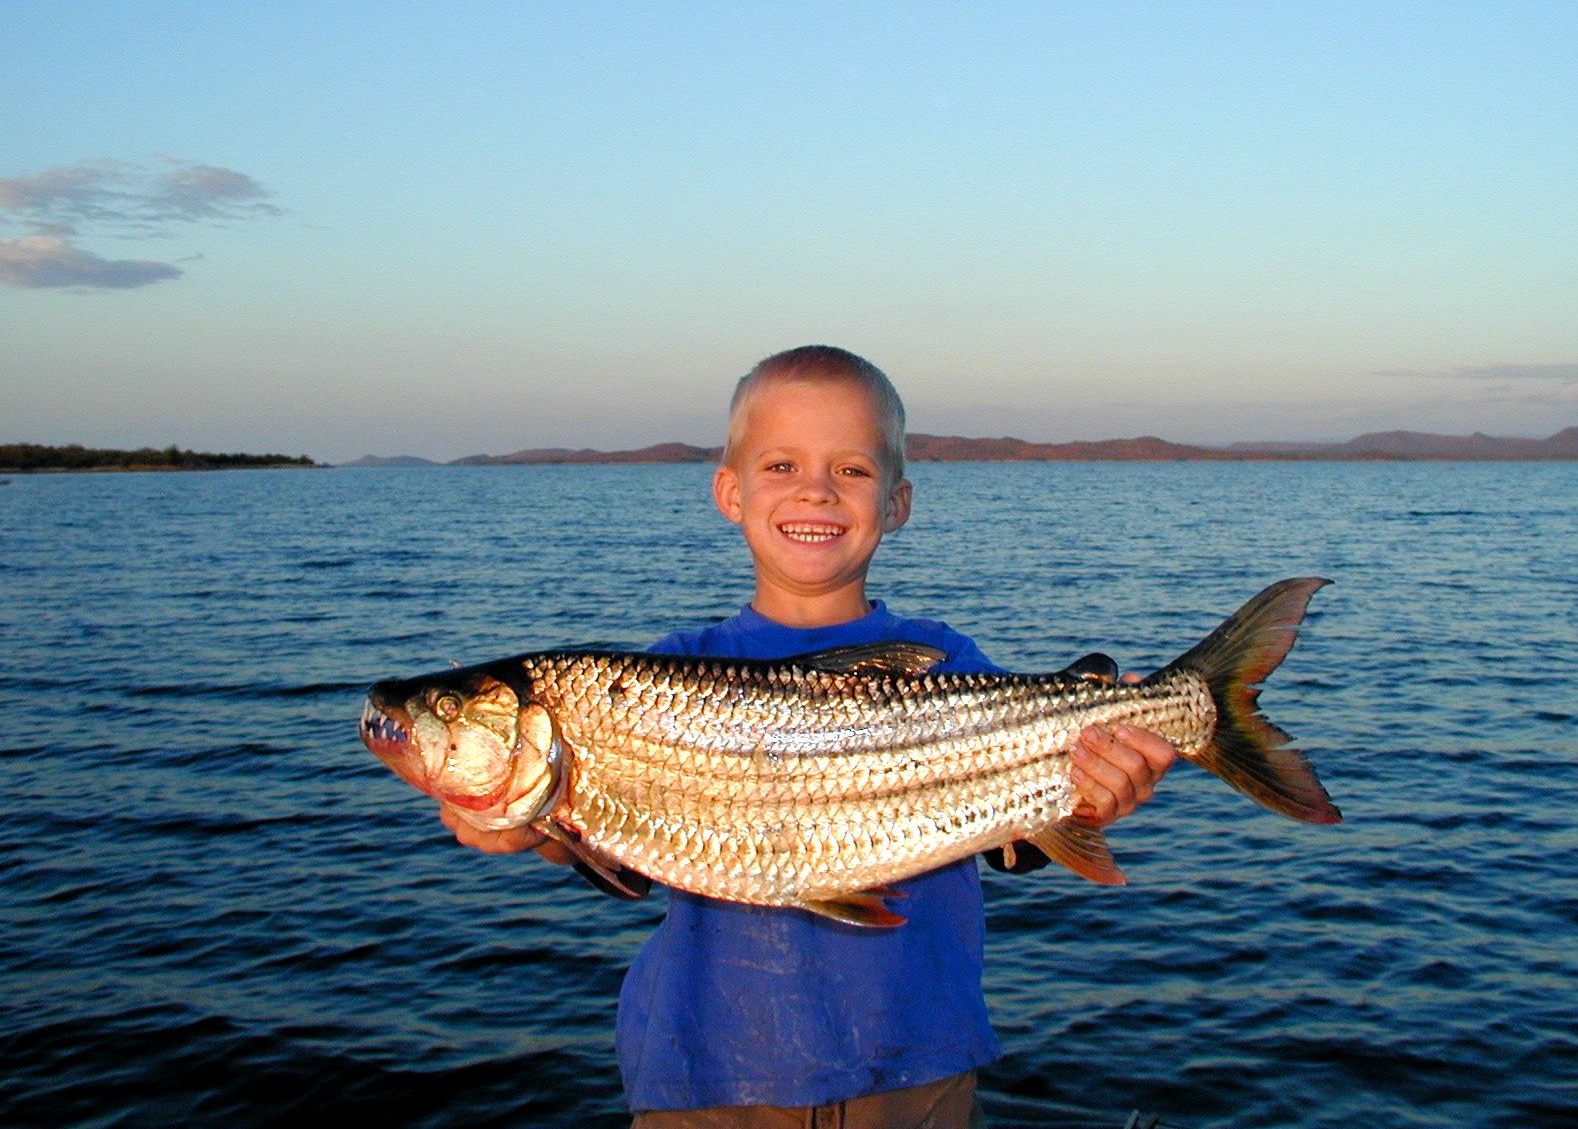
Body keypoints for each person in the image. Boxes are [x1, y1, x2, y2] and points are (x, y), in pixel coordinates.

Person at [440, 346, 1175, 1127]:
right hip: (711, 1071)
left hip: (914, 1063)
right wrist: (538, 830)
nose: (816, 490)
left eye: (851, 470)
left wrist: (1091, 788)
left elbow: (1010, 841)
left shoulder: (946, 658)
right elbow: (626, 859)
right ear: (731, 492)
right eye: (782, 465)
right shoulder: (662, 674)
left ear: (897, 502)